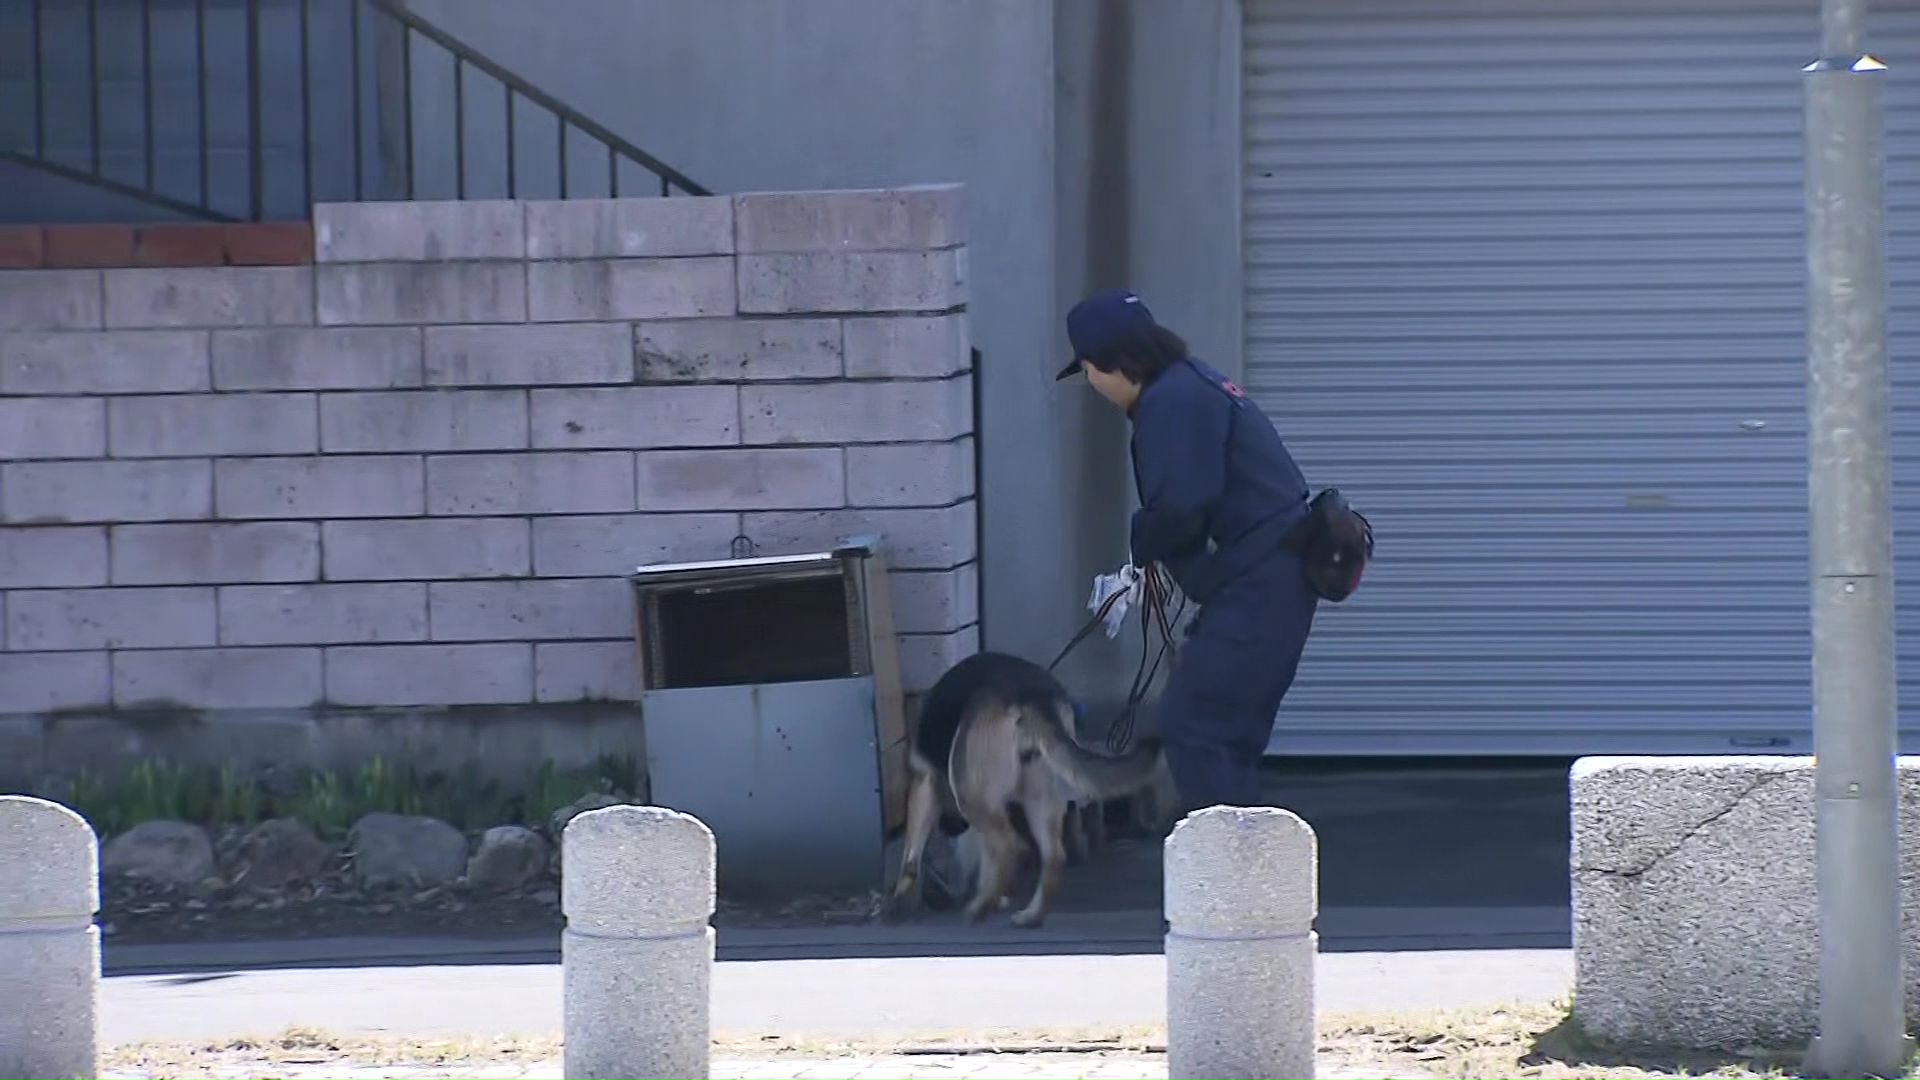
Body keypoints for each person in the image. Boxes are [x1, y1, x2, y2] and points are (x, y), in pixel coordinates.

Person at [1055, 287, 1320, 815]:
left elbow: (1181, 505)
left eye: (1088, 370)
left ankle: (1229, 874)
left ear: (1110, 364)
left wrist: (1142, 541)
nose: (1091, 384)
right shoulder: (1189, 384)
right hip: (1269, 578)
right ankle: (1242, 870)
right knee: (1227, 733)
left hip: (1260, 584)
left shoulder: (1170, 403)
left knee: (1195, 726)